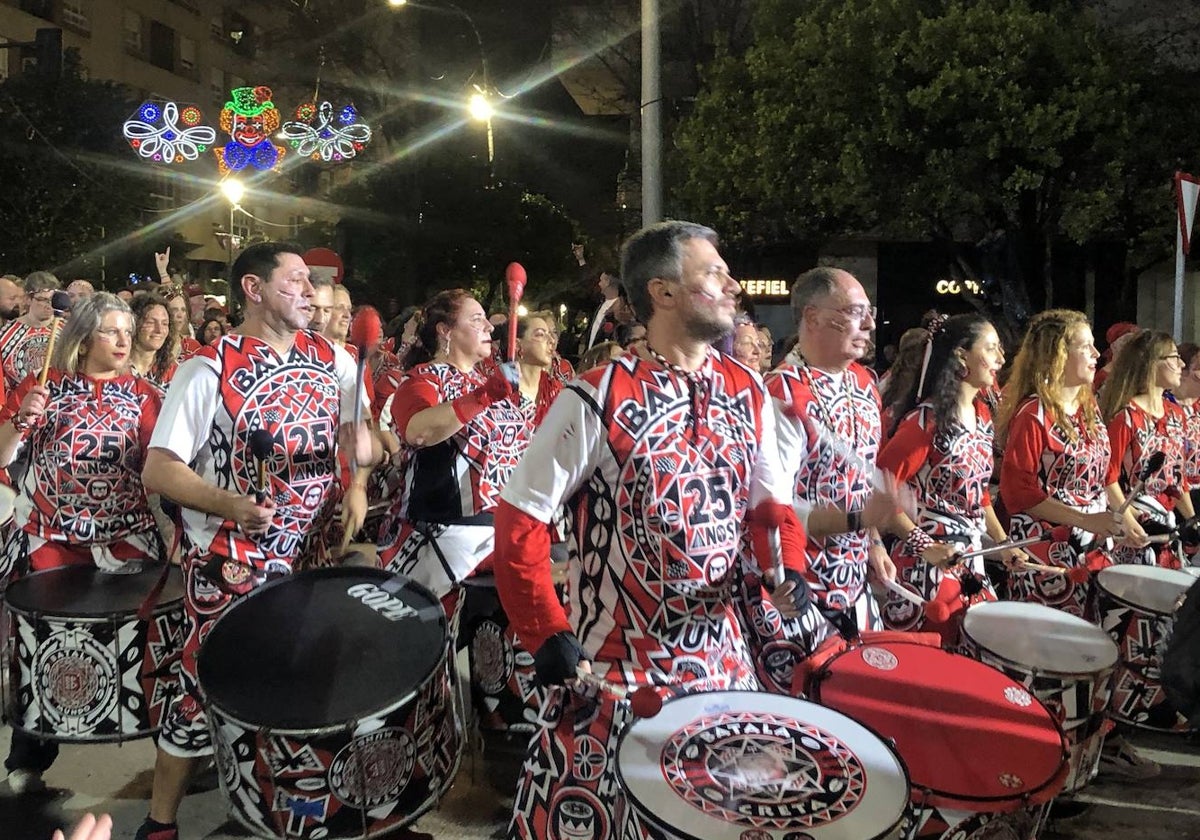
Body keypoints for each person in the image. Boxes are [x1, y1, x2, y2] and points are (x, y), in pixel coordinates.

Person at [493, 220, 809, 840]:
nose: (732, 285)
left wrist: (785, 566)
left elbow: (771, 508)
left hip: (721, 665)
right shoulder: (593, 396)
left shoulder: (746, 390)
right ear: (663, 293)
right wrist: (546, 631)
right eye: (714, 274)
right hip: (614, 672)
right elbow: (521, 519)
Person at [134, 242, 375, 840]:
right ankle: (160, 822)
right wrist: (229, 504)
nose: (310, 294)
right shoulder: (208, 368)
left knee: (297, 687)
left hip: (311, 556)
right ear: (254, 289)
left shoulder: (337, 360)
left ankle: (277, 812)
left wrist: (361, 478)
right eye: (294, 281)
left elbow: (359, 442)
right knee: (201, 687)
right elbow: (159, 469)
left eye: (312, 284)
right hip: (229, 562)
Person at [0, 293, 165, 794]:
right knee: (39, 647)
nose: (123, 341)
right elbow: (5, 455)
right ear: (84, 337)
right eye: (110, 331)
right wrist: (20, 420)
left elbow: (161, 467)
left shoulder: (144, 394)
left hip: (125, 537)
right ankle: (28, 755)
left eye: (126, 332)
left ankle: (167, 745)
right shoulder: (46, 386)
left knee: (144, 644)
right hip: (50, 538)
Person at [876, 313, 1024, 644]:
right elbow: (879, 490)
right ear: (961, 354)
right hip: (927, 571)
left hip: (969, 562)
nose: (1001, 359)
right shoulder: (926, 421)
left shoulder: (983, 416)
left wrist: (1002, 545)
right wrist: (924, 545)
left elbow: (979, 494)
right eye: (991, 349)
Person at [376, 288, 527, 607]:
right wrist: (482, 397)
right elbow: (418, 431)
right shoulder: (422, 381)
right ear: (446, 331)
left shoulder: (489, 383)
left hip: (499, 536)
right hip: (440, 535)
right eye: (477, 320)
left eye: (488, 321)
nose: (489, 327)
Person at [998, 309, 1146, 619]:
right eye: (1085, 346)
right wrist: (1084, 519)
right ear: (1059, 353)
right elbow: (1017, 493)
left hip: (1090, 549)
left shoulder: (1087, 407)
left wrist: (1124, 517)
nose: (1096, 354)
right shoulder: (1033, 414)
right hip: (1048, 555)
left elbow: (1106, 476)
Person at [1099, 330, 1196, 567]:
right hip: (1134, 527)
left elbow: (1177, 479)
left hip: (1166, 525)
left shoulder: (1176, 414)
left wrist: (1193, 520)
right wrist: (1128, 519)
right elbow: (1107, 476)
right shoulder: (1127, 418)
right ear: (1152, 363)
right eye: (1174, 357)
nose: (1181, 364)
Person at [0, 271, 62, 393]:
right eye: (43, 299)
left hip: (58, 406)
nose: (49, 305)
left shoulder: (68, 332)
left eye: (52, 300)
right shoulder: (4, 334)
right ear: (28, 299)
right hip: (17, 407)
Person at [128, 294, 179, 391]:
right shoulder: (115, 367)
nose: (159, 330)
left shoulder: (174, 372)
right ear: (134, 324)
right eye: (150, 322)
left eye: (164, 324)